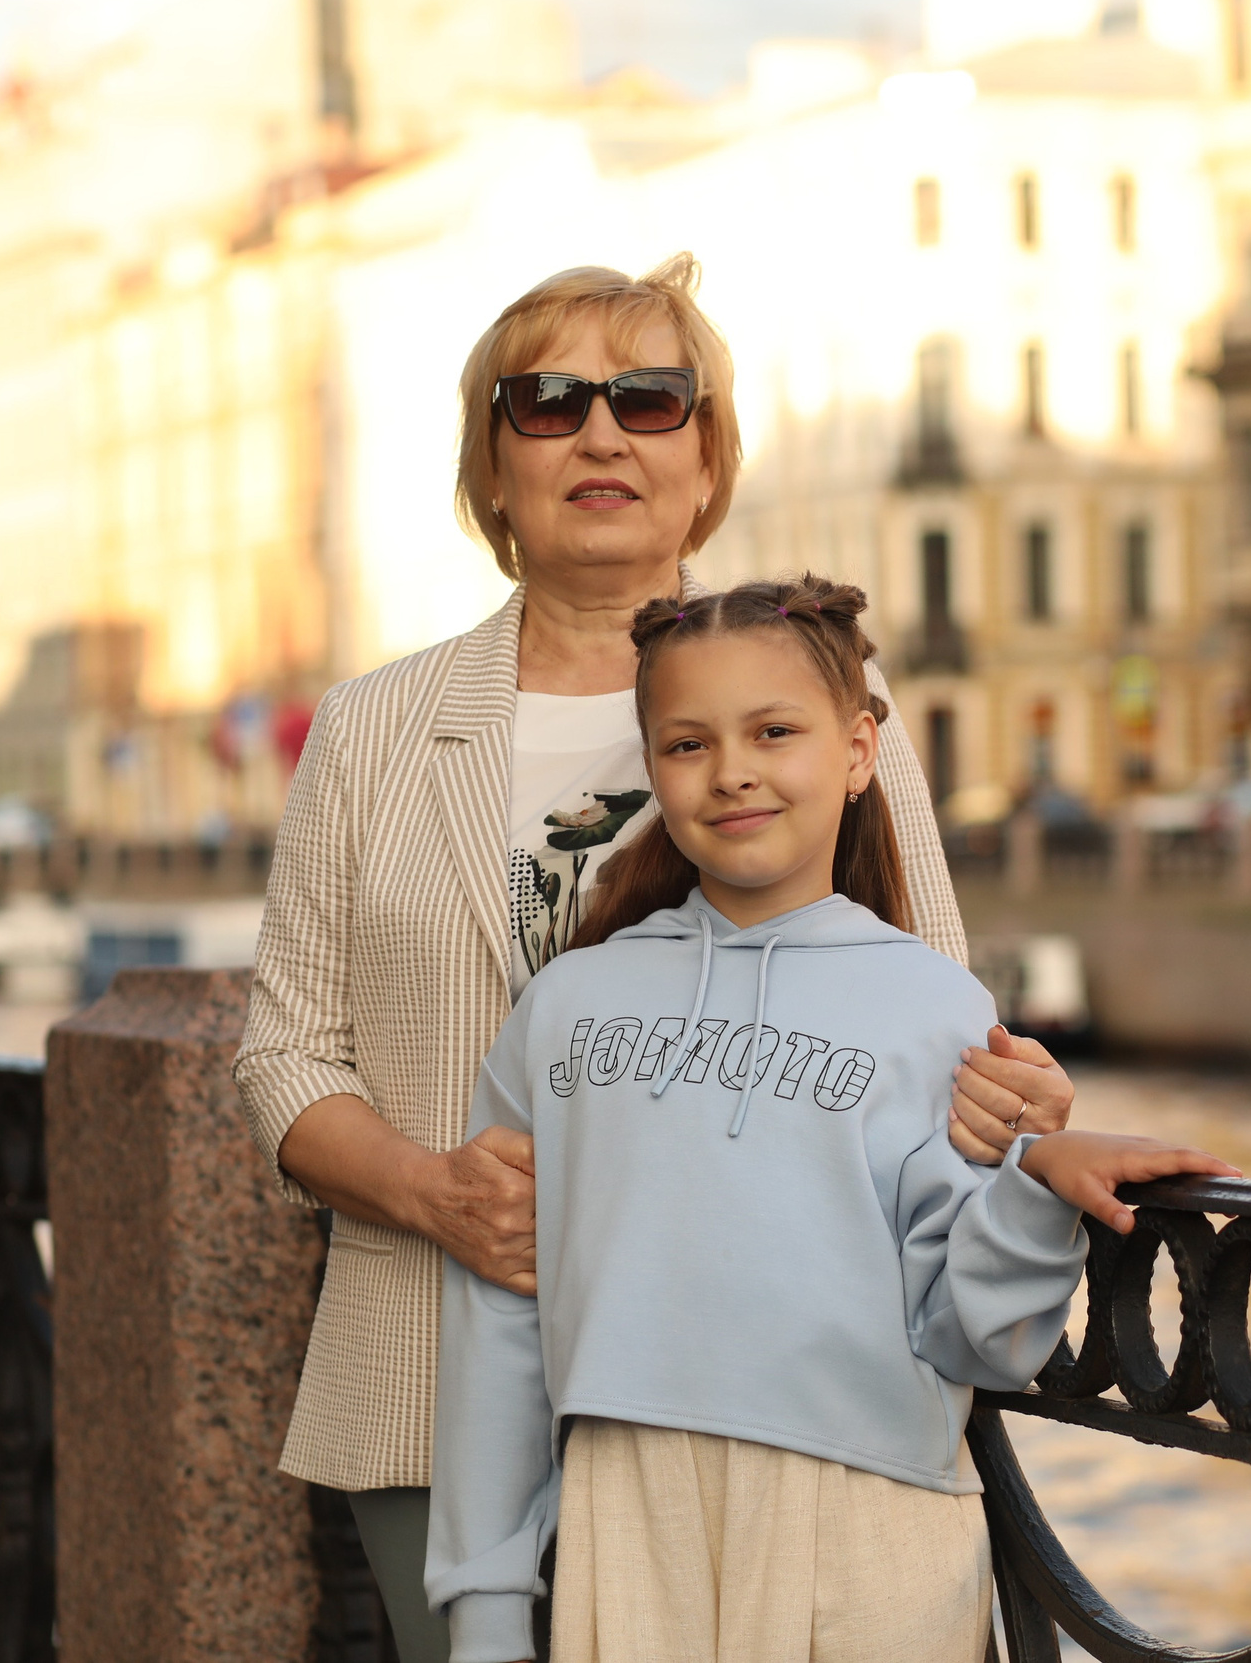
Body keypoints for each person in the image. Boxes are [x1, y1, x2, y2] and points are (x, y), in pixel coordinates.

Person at [233, 256, 1081, 1658]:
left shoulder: (818, 707)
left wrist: (1023, 1113)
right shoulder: (372, 728)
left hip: (770, 1404)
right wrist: (436, 1191)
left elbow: (932, 1010)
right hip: (433, 1378)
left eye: (650, 398)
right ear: (492, 468)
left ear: (707, 461)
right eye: (550, 401)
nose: (604, 433)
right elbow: (285, 1050)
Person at [424, 576, 1235, 1663]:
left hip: (871, 1532)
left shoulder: (937, 1007)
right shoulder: (566, 1008)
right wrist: (482, 1601)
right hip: (625, 1521)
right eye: (686, 745)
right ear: (651, 769)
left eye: (774, 731)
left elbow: (974, 1334)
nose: (733, 772)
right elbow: (498, 1311)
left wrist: (1032, 1186)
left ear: (857, 753)